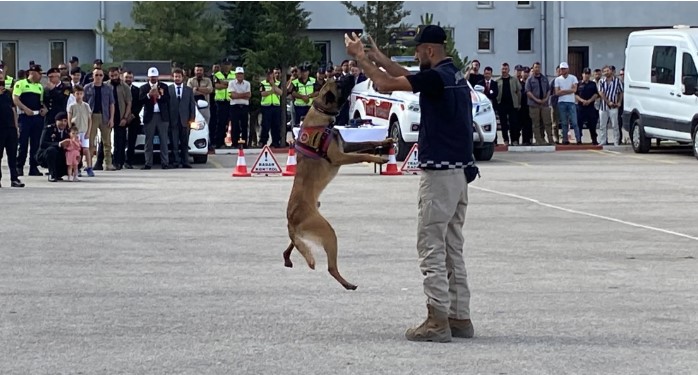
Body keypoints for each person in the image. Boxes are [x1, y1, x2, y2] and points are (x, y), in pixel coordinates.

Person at [346, 25, 476, 343]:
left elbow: (385, 84)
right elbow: (404, 75)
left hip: (440, 176)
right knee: (451, 248)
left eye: (418, 51)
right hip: (459, 174)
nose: (416, 57)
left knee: (430, 247)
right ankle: (459, 317)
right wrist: (377, 55)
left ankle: (437, 321)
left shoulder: (435, 78)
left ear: (429, 50)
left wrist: (361, 59)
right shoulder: (452, 75)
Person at [13, 64, 48, 177]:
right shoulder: (21, 83)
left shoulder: (39, 87)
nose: (41, 76)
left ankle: (33, 167)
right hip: (25, 117)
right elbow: (15, 98)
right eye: (39, 74)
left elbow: (41, 102)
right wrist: (25, 109)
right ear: (32, 73)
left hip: (37, 117)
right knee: (23, 143)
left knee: (35, 144)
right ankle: (19, 166)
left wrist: (44, 109)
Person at [139, 67, 171, 169]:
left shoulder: (164, 87)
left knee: (164, 140)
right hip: (150, 116)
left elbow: (168, 99)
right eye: (151, 77)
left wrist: (159, 96)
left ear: (158, 77)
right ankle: (148, 163)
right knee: (149, 141)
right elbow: (140, 100)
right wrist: (149, 95)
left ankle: (165, 162)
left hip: (162, 116)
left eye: (155, 77)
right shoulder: (144, 88)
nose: (153, 78)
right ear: (148, 77)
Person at [0, 70, 24, 188]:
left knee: (12, 155)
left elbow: (13, 110)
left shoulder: (8, 94)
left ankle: (14, 178)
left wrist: (16, 127)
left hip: (10, 128)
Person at [168, 68, 196, 168]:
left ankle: (185, 161)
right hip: (173, 121)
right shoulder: (169, 89)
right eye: (175, 77)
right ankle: (175, 161)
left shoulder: (188, 90)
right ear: (173, 77)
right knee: (174, 143)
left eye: (179, 77)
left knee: (185, 143)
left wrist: (192, 120)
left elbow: (192, 106)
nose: (177, 78)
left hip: (185, 121)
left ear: (182, 78)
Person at [67, 85, 94, 176]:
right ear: (74, 94)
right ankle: (76, 168)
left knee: (86, 150)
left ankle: (89, 167)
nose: (79, 95)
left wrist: (88, 132)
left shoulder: (86, 106)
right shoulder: (72, 106)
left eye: (81, 93)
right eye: (77, 93)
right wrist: (71, 131)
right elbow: (69, 118)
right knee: (76, 151)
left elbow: (90, 120)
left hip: (84, 131)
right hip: (76, 132)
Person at [37, 112, 70, 182]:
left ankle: (59, 173)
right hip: (45, 154)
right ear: (56, 121)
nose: (63, 123)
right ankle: (51, 174)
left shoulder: (68, 131)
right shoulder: (49, 129)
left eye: (65, 121)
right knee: (51, 150)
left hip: (60, 155)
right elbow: (42, 143)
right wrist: (59, 144)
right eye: (61, 121)